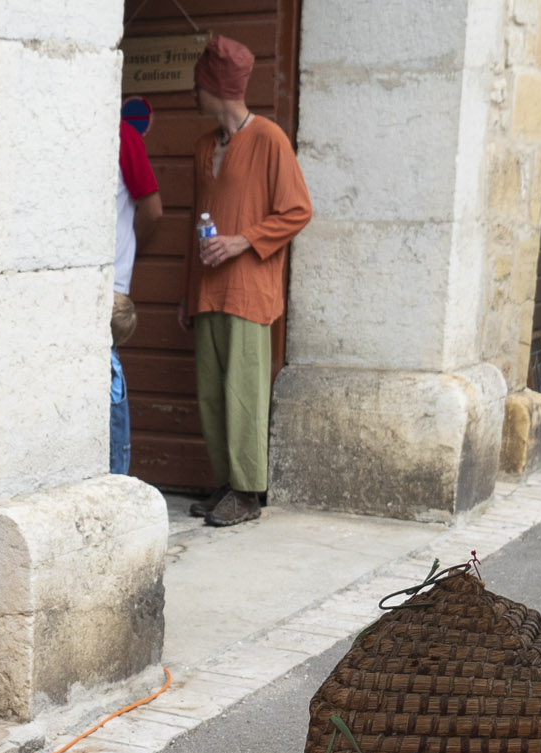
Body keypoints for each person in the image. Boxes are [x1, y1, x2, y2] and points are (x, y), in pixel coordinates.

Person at [179, 34, 312, 529]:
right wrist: (184, 292)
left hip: (249, 292)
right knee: (213, 393)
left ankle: (249, 492)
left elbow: (298, 209)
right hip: (208, 291)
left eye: (198, 83)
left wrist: (242, 242)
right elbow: (193, 219)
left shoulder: (269, 139)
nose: (193, 93)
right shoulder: (202, 146)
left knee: (243, 392)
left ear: (215, 85)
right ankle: (228, 481)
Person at [113, 96, 164, 476]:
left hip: (110, 281)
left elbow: (152, 208)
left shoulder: (122, 135)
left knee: (107, 372)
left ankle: (116, 476)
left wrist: (131, 250)